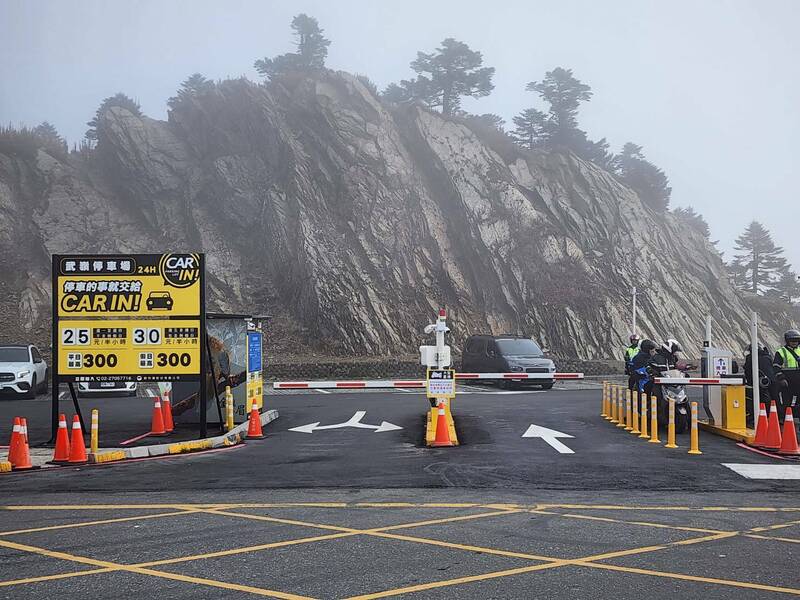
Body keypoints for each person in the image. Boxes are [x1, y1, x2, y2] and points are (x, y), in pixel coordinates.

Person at [744, 344, 776, 425]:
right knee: (772, 400)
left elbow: (747, 370)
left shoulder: (751, 358)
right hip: (771, 382)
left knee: (760, 399)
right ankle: (772, 417)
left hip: (758, 383)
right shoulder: (767, 357)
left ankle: (756, 417)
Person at [773, 329, 800, 417]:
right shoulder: (781, 352)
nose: (794, 342)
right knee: (787, 403)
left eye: (796, 340)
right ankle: (786, 419)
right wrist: (781, 379)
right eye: (792, 340)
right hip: (787, 383)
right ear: (787, 341)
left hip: (798, 382)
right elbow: (776, 367)